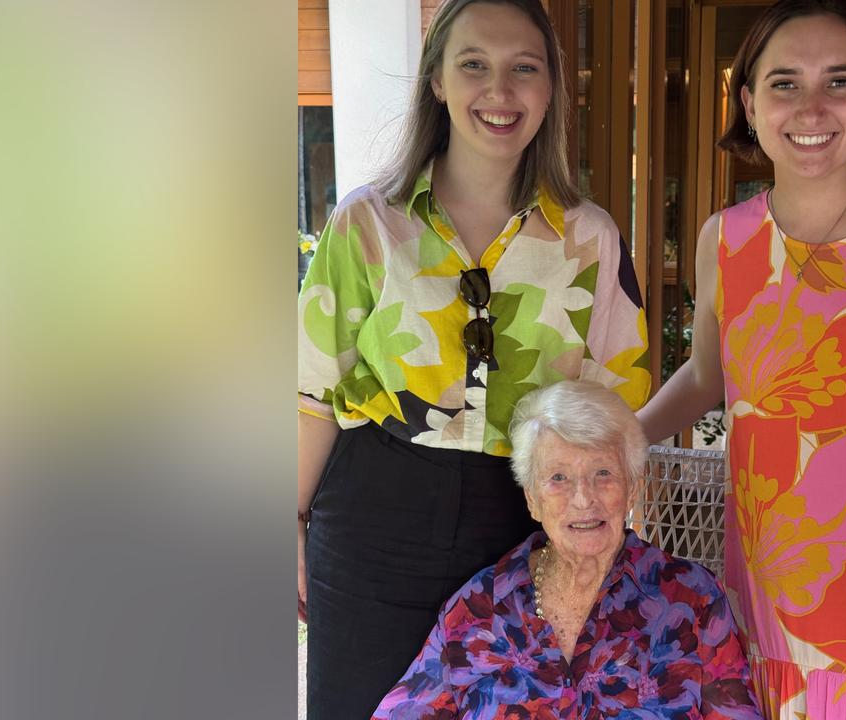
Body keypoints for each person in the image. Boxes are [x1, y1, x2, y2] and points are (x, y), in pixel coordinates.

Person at [297, 1, 651, 716]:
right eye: (474, 65)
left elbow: (615, 411)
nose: (501, 91)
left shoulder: (590, 238)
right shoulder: (367, 222)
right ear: (437, 81)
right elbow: (311, 392)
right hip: (374, 511)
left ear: (552, 88)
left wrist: (614, 541)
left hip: (524, 520)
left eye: (525, 67)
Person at [637, 1, 846, 718]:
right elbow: (710, 376)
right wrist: (619, 438)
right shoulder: (725, 238)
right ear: (747, 103)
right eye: (783, 83)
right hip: (771, 608)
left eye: (839, 81)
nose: (811, 107)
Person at [370, 380, 762, 719]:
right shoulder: (478, 608)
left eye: (603, 473)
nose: (582, 499)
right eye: (558, 478)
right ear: (532, 500)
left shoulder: (691, 597)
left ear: (633, 488)